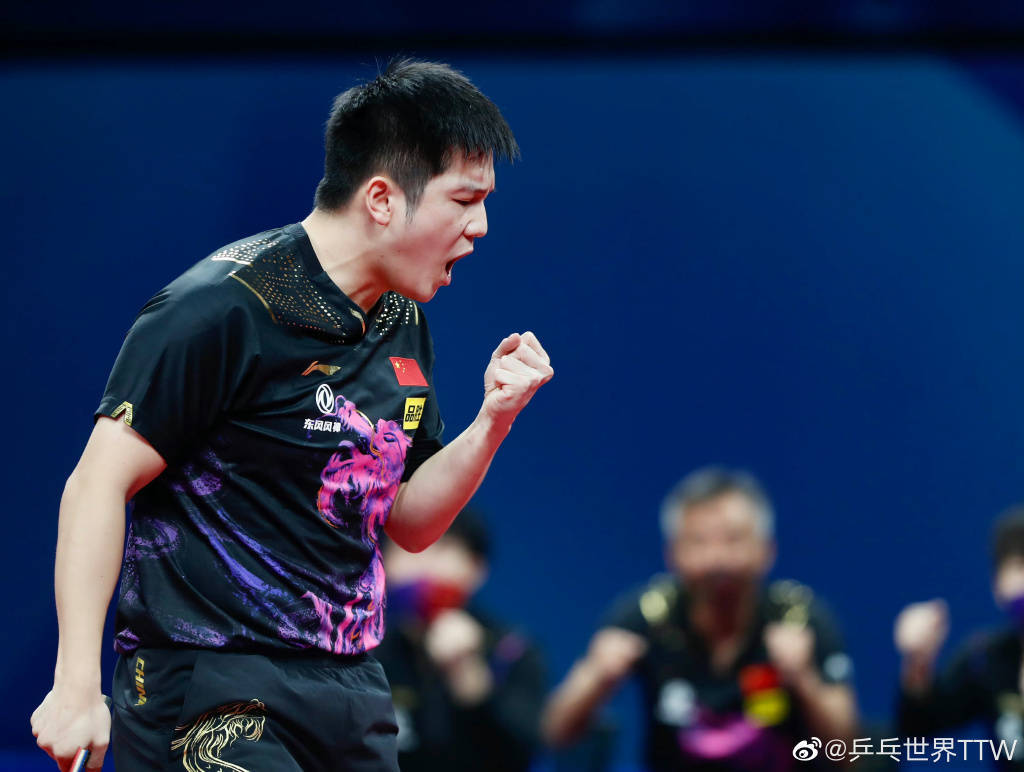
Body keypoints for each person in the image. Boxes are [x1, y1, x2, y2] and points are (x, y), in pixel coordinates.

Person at [29, 58, 553, 772]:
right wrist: (74, 684)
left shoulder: (400, 320)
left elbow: (409, 521)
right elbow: (96, 482)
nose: (481, 226)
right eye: (464, 200)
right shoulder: (222, 307)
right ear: (381, 199)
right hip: (211, 681)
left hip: (351, 688)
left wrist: (494, 420)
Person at [542, 467, 858, 771]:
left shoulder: (800, 619)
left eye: (733, 540)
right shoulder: (646, 616)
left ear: (766, 550)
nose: (717, 559)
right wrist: (597, 677)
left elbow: (848, 754)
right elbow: (554, 733)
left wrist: (804, 679)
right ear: (672, 553)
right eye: (699, 542)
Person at [375, 505, 545, 772]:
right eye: (404, 547)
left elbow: (519, 757)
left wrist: (469, 679)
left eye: (438, 547)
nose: (419, 563)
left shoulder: (513, 652)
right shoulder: (358, 645)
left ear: (476, 568)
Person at [895, 505, 1024, 768]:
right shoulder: (986, 658)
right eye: (1019, 566)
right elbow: (918, 727)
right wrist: (918, 663)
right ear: (997, 586)